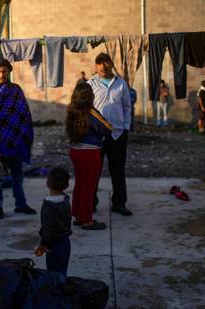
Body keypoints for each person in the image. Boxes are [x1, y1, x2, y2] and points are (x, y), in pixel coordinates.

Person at [0, 58, 35, 219]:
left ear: (9, 72)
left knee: (17, 178)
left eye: (4, 71)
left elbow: (23, 114)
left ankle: (20, 205)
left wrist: (25, 135)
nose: (2, 74)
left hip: (16, 141)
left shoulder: (16, 90)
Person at [88, 53, 132, 216]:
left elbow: (127, 107)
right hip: (96, 136)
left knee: (118, 171)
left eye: (105, 63)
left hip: (118, 135)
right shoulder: (90, 84)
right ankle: (91, 203)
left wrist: (125, 126)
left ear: (111, 64)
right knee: (94, 171)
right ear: (95, 66)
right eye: (99, 63)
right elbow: (86, 109)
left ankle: (119, 203)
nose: (102, 67)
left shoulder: (121, 84)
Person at [66, 83, 113, 229]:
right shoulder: (91, 112)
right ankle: (87, 220)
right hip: (90, 152)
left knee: (79, 184)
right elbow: (107, 128)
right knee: (89, 186)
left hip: (75, 151)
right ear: (89, 97)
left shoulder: (72, 111)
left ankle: (78, 216)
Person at [34, 167, 72, 276]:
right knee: (62, 270)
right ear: (66, 185)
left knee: (53, 273)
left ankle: (57, 291)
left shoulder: (48, 205)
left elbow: (47, 228)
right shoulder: (66, 199)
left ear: (48, 183)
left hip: (54, 244)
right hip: (65, 241)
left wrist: (43, 244)